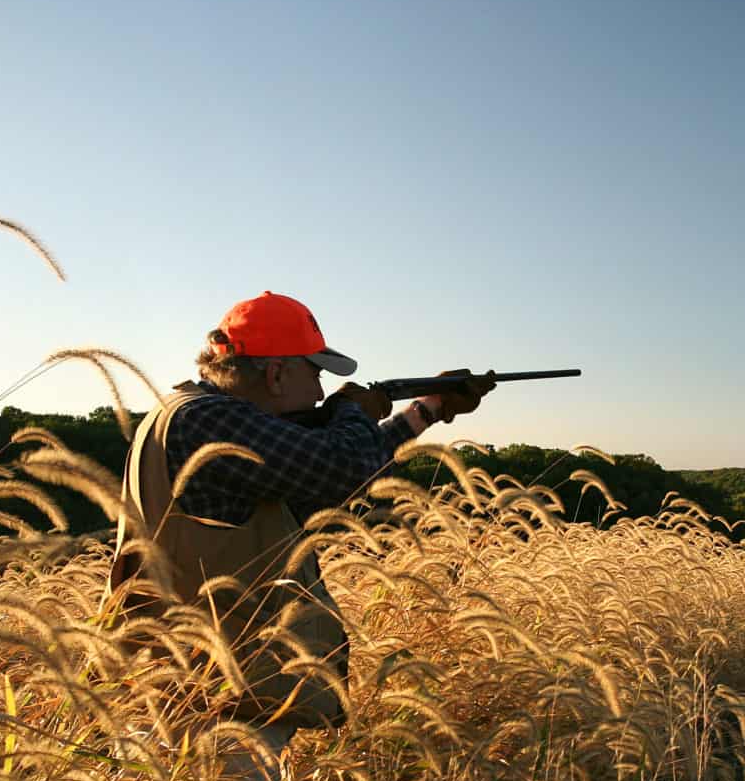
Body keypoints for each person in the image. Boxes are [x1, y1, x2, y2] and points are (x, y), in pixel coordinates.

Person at [107, 289, 492, 732]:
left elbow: (334, 469)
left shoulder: (185, 413)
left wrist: (431, 407)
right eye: (315, 373)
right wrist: (350, 410)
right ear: (276, 374)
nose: (320, 391)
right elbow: (339, 467)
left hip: (202, 691)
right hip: (209, 705)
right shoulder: (206, 419)